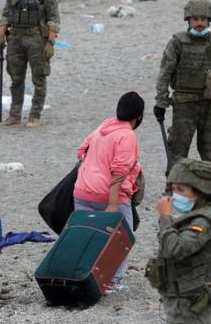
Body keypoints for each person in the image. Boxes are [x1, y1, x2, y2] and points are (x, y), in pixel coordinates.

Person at [73, 91, 145, 293]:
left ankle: (84, 275)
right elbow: (119, 172)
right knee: (121, 239)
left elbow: (81, 151)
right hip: (109, 195)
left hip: (82, 191)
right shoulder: (127, 135)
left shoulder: (102, 128)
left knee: (88, 237)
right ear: (138, 116)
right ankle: (112, 281)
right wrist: (113, 204)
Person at [150, 158, 211, 324]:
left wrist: (165, 217)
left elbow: (175, 249)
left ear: (200, 191)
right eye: (173, 190)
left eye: (181, 190)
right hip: (183, 298)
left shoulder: (204, 221)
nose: (175, 196)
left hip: (190, 303)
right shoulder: (197, 213)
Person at [154, 0, 211, 170]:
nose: (199, 23)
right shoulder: (177, 43)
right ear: (188, 20)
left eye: (203, 19)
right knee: (179, 151)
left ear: (209, 20)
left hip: (210, 105)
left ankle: (208, 192)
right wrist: (161, 101)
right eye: (195, 19)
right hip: (184, 104)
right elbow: (165, 73)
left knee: (209, 151)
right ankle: (173, 192)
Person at [0, 0, 60, 129]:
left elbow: (53, 16)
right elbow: (7, 11)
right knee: (16, 78)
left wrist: (50, 41)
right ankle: (14, 114)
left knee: (38, 77)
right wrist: (1, 35)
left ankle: (35, 115)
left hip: (36, 38)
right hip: (15, 37)